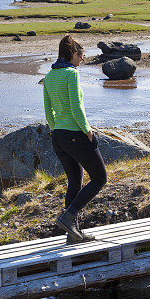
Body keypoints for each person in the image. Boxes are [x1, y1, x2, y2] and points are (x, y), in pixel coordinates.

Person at [43, 34, 107, 242]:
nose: (82, 60)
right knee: (99, 178)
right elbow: (76, 107)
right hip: (74, 134)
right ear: (73, 54)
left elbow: (48, 110)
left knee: (75, 181)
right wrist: (88, 131)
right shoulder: (71, 74)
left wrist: (56, 131)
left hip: (59, 136)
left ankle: (73, 233)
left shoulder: (50, 75)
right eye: (81, 55)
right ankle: (69, 217)